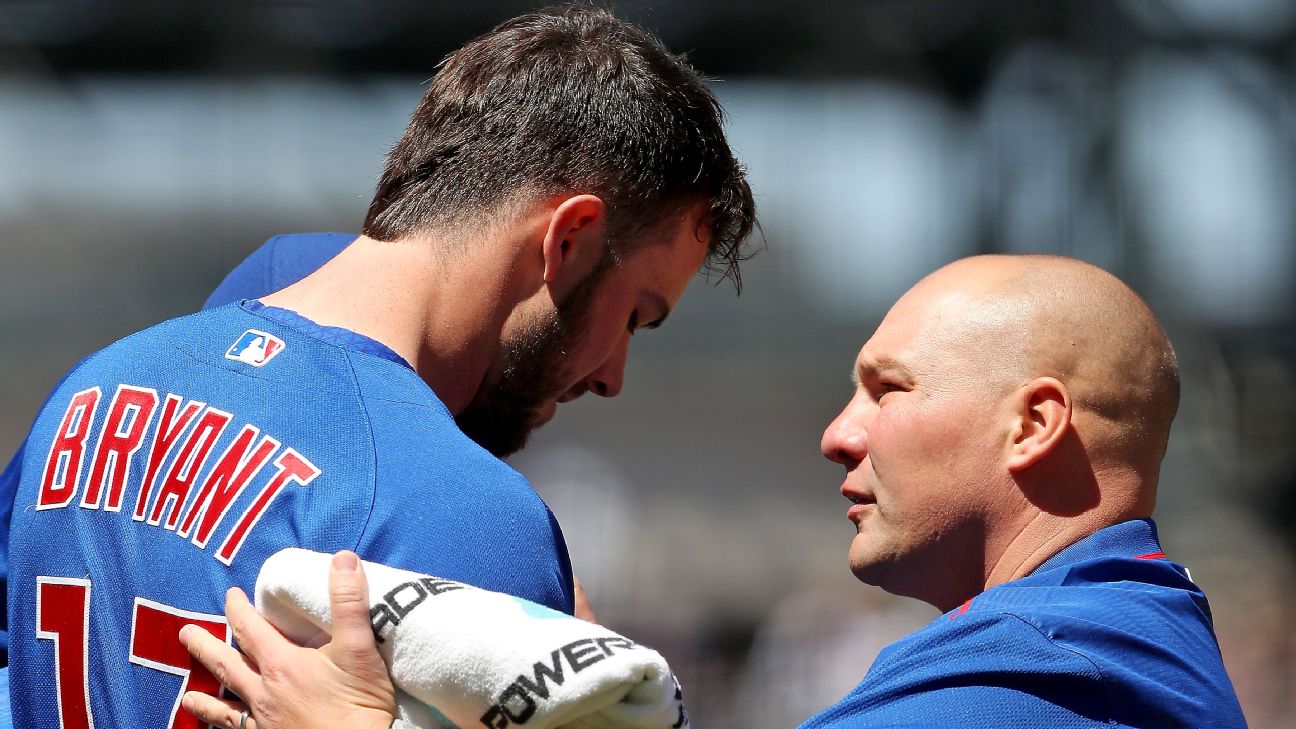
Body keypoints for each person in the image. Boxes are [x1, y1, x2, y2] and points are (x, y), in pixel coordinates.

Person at [2, 5, 756, 729]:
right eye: (635, 315)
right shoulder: (467, 511)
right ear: (571, 238)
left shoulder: (93, 388)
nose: (613, 374)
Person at [180, 254, 1246, 729]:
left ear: (1035, 425)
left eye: (889, 390)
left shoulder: (1046, 675)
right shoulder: (1105, 635)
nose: (840, 433)